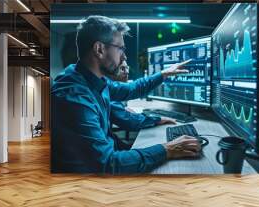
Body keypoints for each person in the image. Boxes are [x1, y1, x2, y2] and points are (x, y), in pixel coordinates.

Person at [51, 15, 201, 174]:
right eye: (120, 48)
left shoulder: (91, 79)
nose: (124, 56)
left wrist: (163, 74)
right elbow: (107, 164)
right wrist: (167, 149)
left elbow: (131, 89)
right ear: (99, 49)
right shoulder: (75, 99)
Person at [108, 60, 176, 132]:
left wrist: (123, 109)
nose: (127, 72)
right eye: (122, 69)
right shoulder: (109, 94)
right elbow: (131, 121)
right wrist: (159, 119)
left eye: (127, 68)